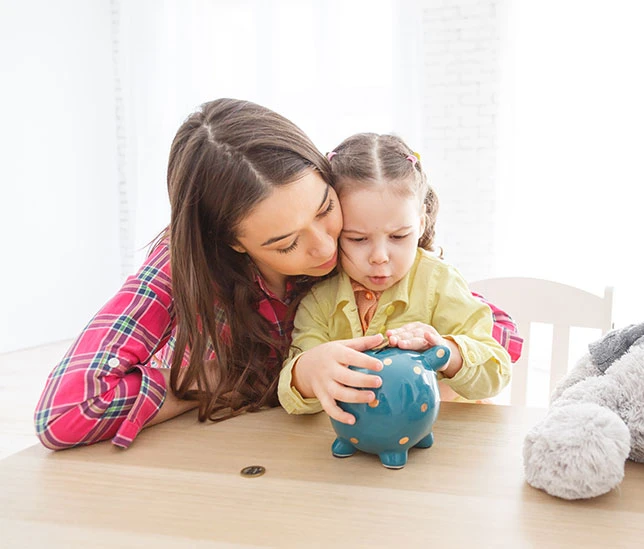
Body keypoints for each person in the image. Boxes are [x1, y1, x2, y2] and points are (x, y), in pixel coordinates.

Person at [34, 99, 521, 450]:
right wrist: (219, 378)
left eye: (327, 210)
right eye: (285, 243)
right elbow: (66, 411)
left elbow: (500, 333)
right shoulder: (179, 268)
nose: (324, 246)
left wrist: (432, 365)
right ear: (230, 241)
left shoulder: (361, 251)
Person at [278, 133, 513, 424]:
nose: (380, 256)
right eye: (358, 238)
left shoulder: (439, 282)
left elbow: (497, 371)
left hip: (448, 438)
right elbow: (293, 400)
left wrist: (448, 352)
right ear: (336, 229)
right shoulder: (320, 295)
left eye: (399, 236)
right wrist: (308, 371)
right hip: (359, 440)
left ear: (421, 223)